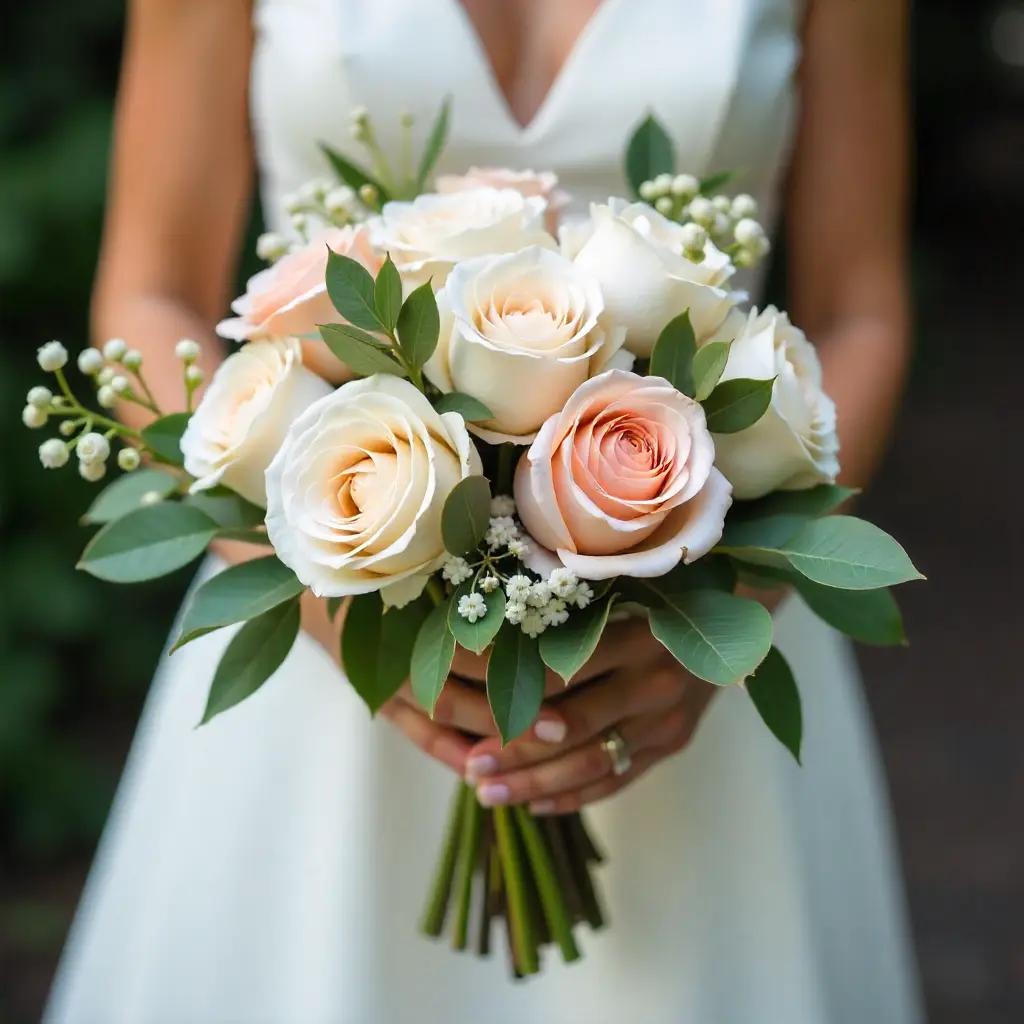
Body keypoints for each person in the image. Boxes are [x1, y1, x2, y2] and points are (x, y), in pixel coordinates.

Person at [45, 1, 923, 1021]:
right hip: (320, 636)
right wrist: (320, 576)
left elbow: (861, 309)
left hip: (687, 642)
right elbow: (149, 292)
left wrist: (734, 610)